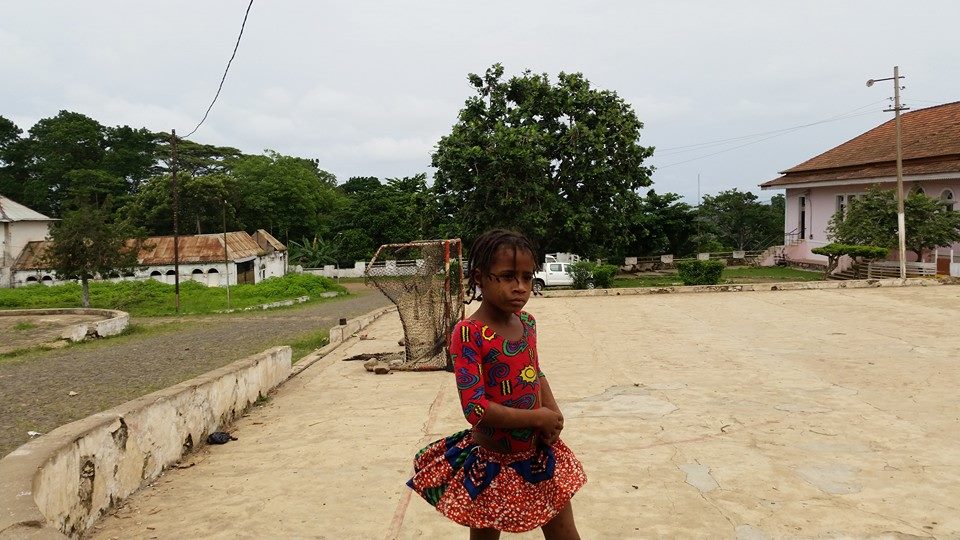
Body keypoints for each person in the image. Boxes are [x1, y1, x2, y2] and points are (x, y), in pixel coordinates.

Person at [407, 229, 586, 539]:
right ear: (480, 277)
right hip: (491, 464)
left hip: (538, 454)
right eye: (507, 277)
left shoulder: (527, 323)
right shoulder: (468, 334)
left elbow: (535, 371)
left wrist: (553, 412)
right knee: (486, 536)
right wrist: (537, 417)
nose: (520, 287)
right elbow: (475, 408)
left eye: (527, 277)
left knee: (563, 531)